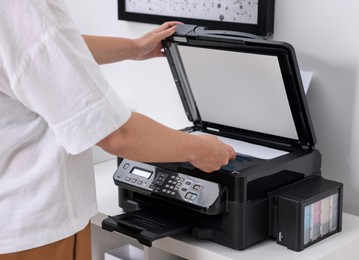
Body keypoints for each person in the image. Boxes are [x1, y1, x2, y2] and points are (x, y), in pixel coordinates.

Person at [0, 1, 236, 259]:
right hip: (29, 228)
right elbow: (115, 133)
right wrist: (198, 148)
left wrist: (134, 49)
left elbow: (45, 50)